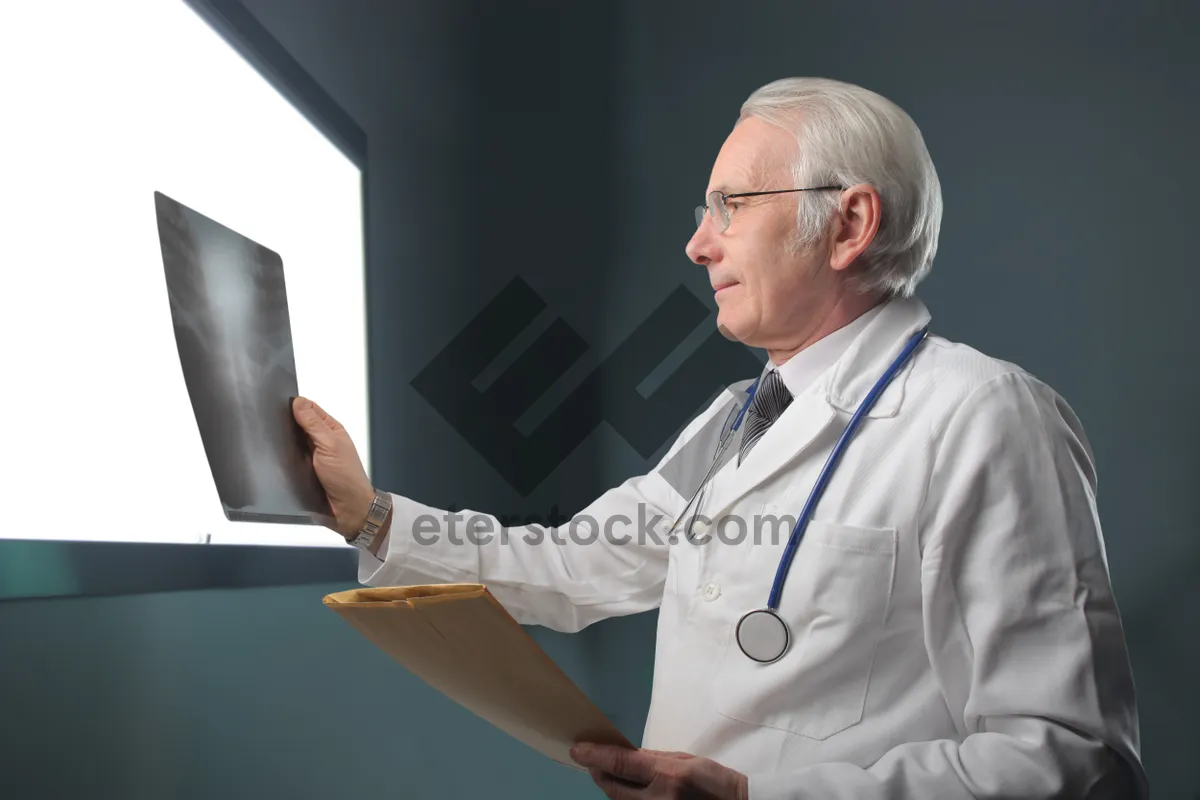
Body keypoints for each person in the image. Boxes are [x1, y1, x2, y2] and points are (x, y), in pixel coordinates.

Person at [293, 77, 1148, 799]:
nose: (699, 244)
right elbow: (574, 565)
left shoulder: (985, 414)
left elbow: (1075, 758)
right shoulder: (738, 414)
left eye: (731, 206)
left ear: (849, 225)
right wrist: (369, 518)